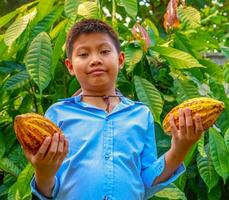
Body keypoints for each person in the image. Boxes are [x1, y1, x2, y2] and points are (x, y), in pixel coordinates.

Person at [21, 19, 204, 200]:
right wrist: (43, 173)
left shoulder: (141, 115)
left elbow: (146, 182)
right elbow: (49, 190)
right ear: (70, 67)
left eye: (104, 51)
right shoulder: (58, 114)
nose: (95, 60)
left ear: (121, 59)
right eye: (84, 54)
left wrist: (180, 149)